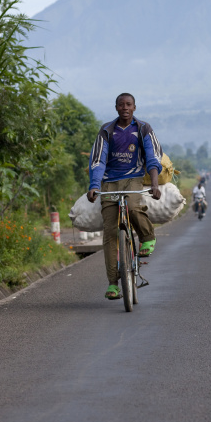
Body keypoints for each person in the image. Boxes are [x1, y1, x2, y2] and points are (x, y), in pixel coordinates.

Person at [87, 93, 163, 299]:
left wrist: (155, 185)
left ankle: (147, 237)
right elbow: (98, 161)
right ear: (116, 108)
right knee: (110, 232)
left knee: (131, 207)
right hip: (109, 182)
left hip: (134, 178)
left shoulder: (143, 129)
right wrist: (94, 186)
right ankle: (113, 284)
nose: (125, 108)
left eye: (128, 104)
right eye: (121, 105)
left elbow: (153, 158)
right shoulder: (106, 131)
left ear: (134, 107)